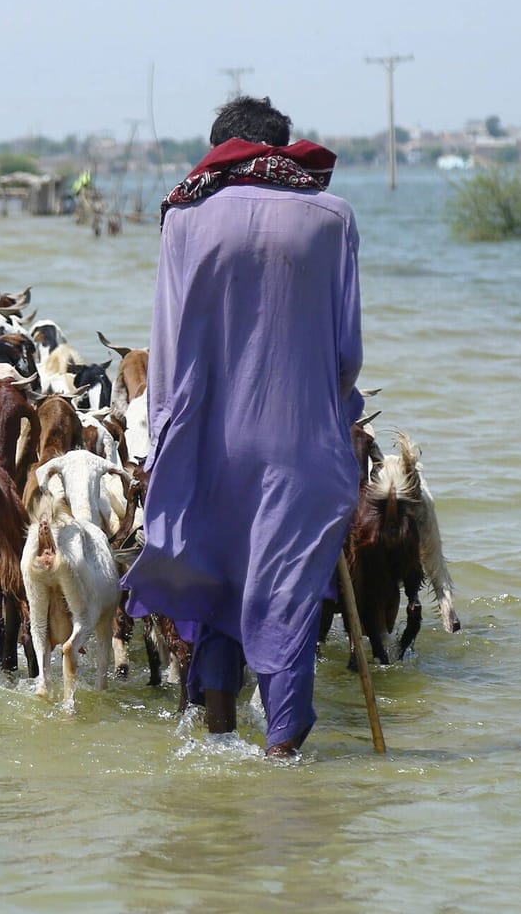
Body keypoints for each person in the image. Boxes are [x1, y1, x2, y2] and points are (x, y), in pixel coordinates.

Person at [119, 96, 362, 758]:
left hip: (208, 441)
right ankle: (285, 749)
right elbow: (346, 355)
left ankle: (221, 735)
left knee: (218, 572)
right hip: (301, 441)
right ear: (280, 148)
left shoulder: (184, 216)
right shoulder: (332, 217)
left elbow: (165, 351)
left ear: (222, 150)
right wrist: (340, 418)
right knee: (284, 587)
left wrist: (167, 443)